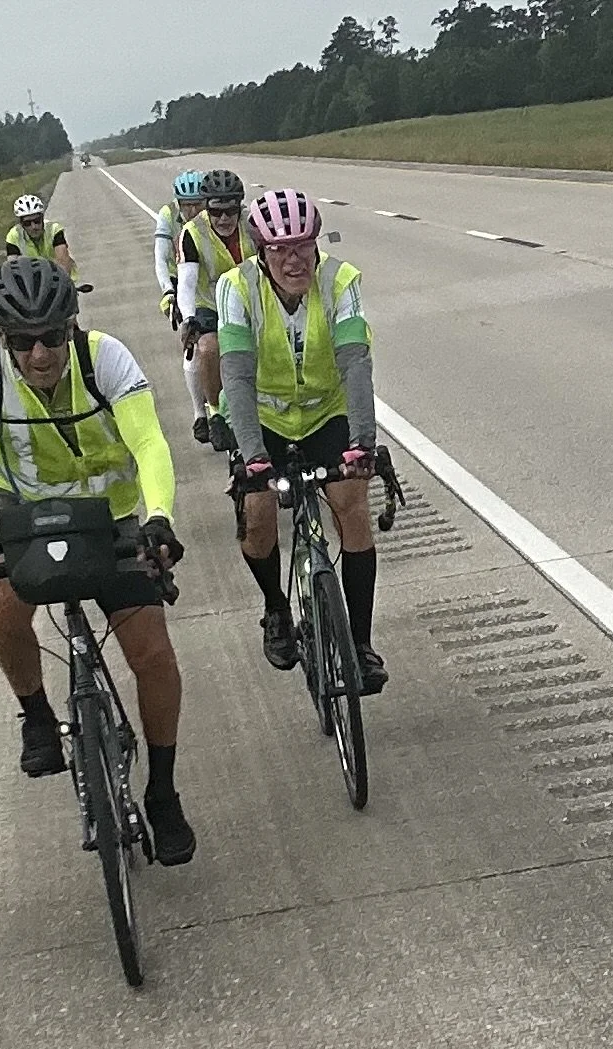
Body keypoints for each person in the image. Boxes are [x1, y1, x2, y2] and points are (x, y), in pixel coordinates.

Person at [0, 256, 196, 866]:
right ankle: (36, 715)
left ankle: (162, 792)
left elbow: (149, 443)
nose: (39, 354)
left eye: (52, 336)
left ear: (72, 326)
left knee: (153, 656)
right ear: (2, 338)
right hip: (20, 510)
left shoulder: (106, 359)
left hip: (110, 513)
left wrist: (159, 516)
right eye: (22, 341)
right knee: (3, 601)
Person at [217, 189, 388, 695]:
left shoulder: (341, 280)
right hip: (263, 416)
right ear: (260, 252)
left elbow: (355, 361)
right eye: (280, 250)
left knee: (352, 507)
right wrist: (253, 457)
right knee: (258, 514)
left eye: (303, 246)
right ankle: (275, 608)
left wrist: (362, 443)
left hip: (325, 411)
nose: (294, 261)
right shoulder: (236, 288)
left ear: (317, 244)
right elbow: (236, 376)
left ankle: (360, 645)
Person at [176, 169, 253, 452]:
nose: (223, 219)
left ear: (240, 207)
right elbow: (186, 284)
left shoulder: (254, 224)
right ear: (206, 207)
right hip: (210, 304)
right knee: (208, 348)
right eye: (216, 212)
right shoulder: (192, 232)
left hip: (250, 302)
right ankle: (215, 413)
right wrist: (189, 319)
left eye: (230, 211)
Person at [154, 170, 208, 443]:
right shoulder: (167, 215)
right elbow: (160, 259)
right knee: (192, 349)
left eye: (198, 204)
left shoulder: (215, 217)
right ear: (178, 204)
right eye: (186, 205)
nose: (193, 211)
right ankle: (200, 413)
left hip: (212, 282)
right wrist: (168, 291)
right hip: (185, 283)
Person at [5, 194, 77, 280]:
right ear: (21, 224)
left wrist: (62, 281)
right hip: (33, 282)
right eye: (27, 223)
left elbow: (63, 262)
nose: (33, 227)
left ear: (42, 218)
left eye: (37, 221)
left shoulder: (54, 229)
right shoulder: (13, 236)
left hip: (60, 278)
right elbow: (13, 269)